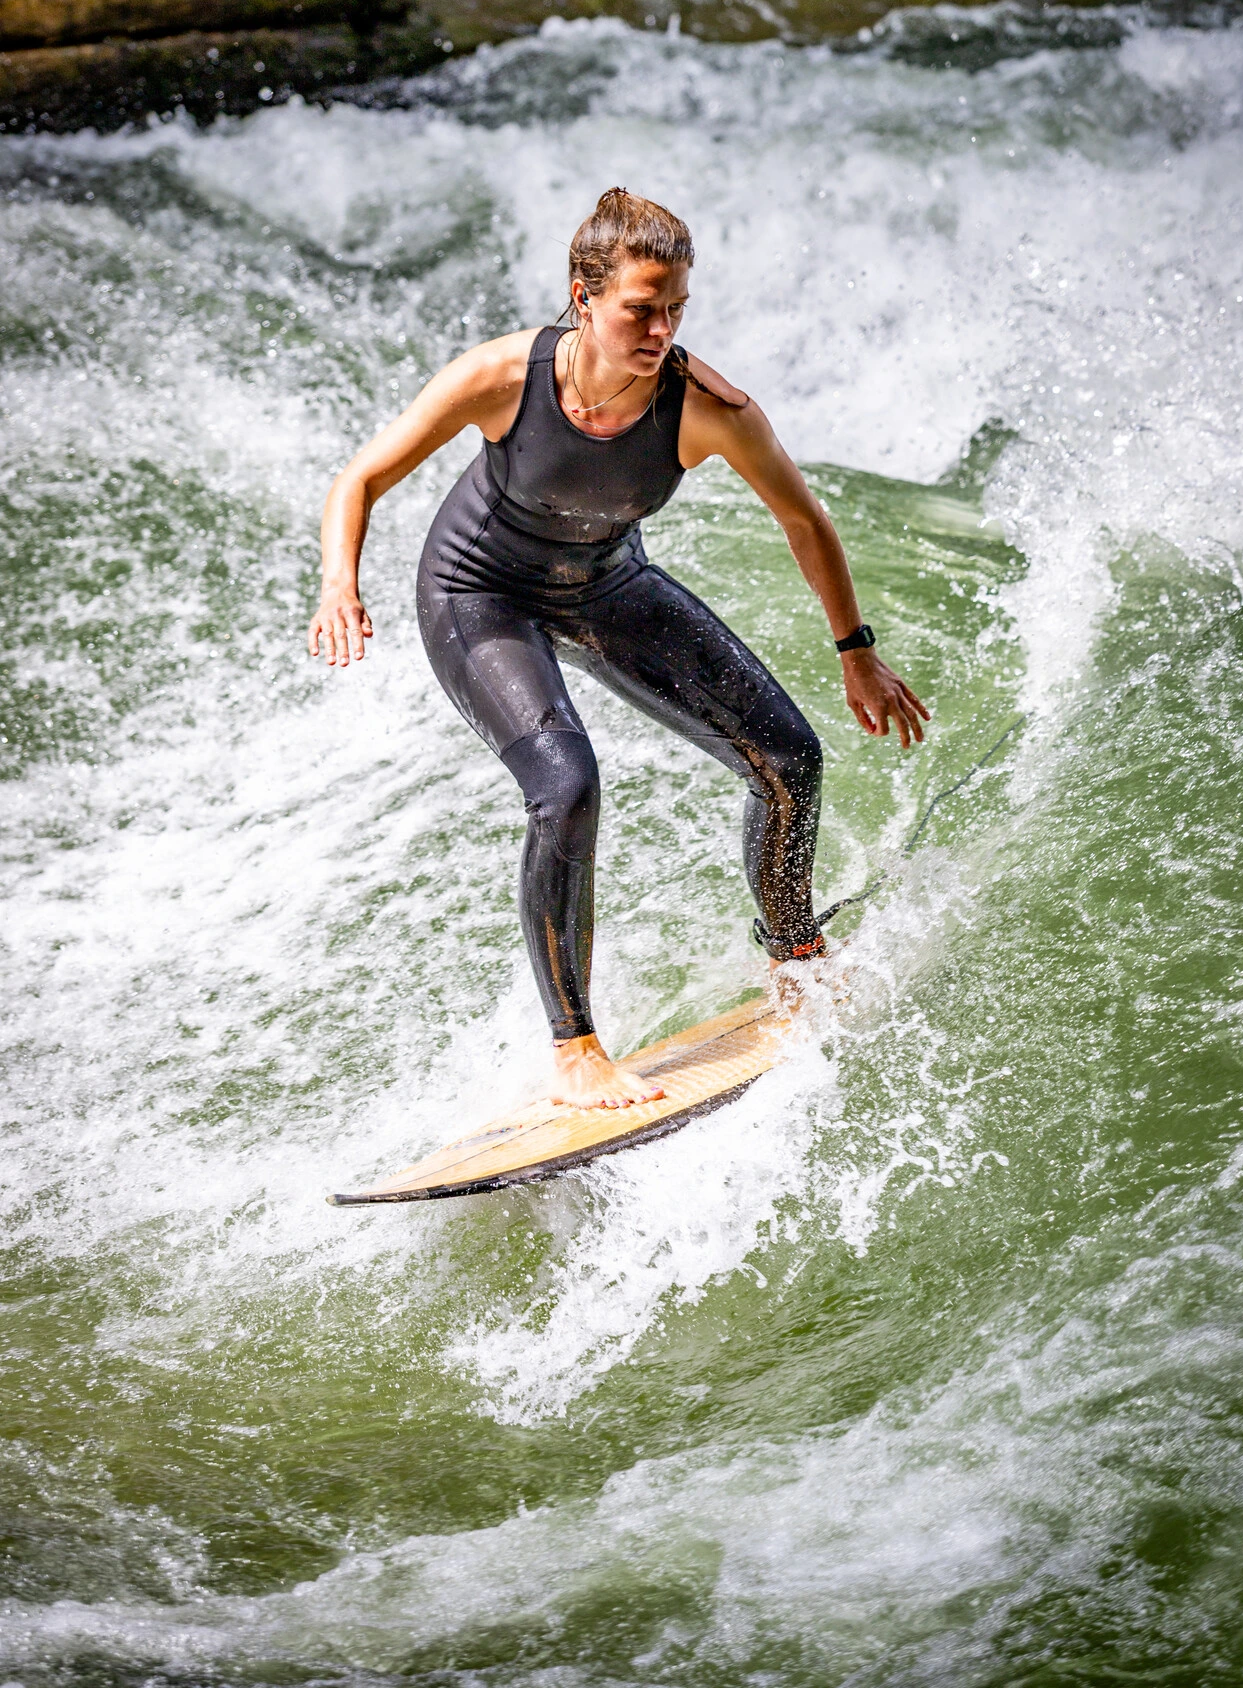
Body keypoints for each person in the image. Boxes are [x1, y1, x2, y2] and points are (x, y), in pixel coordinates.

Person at [309, 189, 929, 1110]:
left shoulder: (707, 408)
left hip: (601, 581)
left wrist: (856, 649)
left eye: (677, 307)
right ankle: (576, 1051)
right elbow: (360, 477)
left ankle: (796, 957)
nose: (662, 327)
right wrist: (338, 585)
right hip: (478, 593)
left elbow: (804, 520)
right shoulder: (501, 378)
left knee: (789, 760)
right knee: (566, 787)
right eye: (643, 307)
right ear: (584, 297)